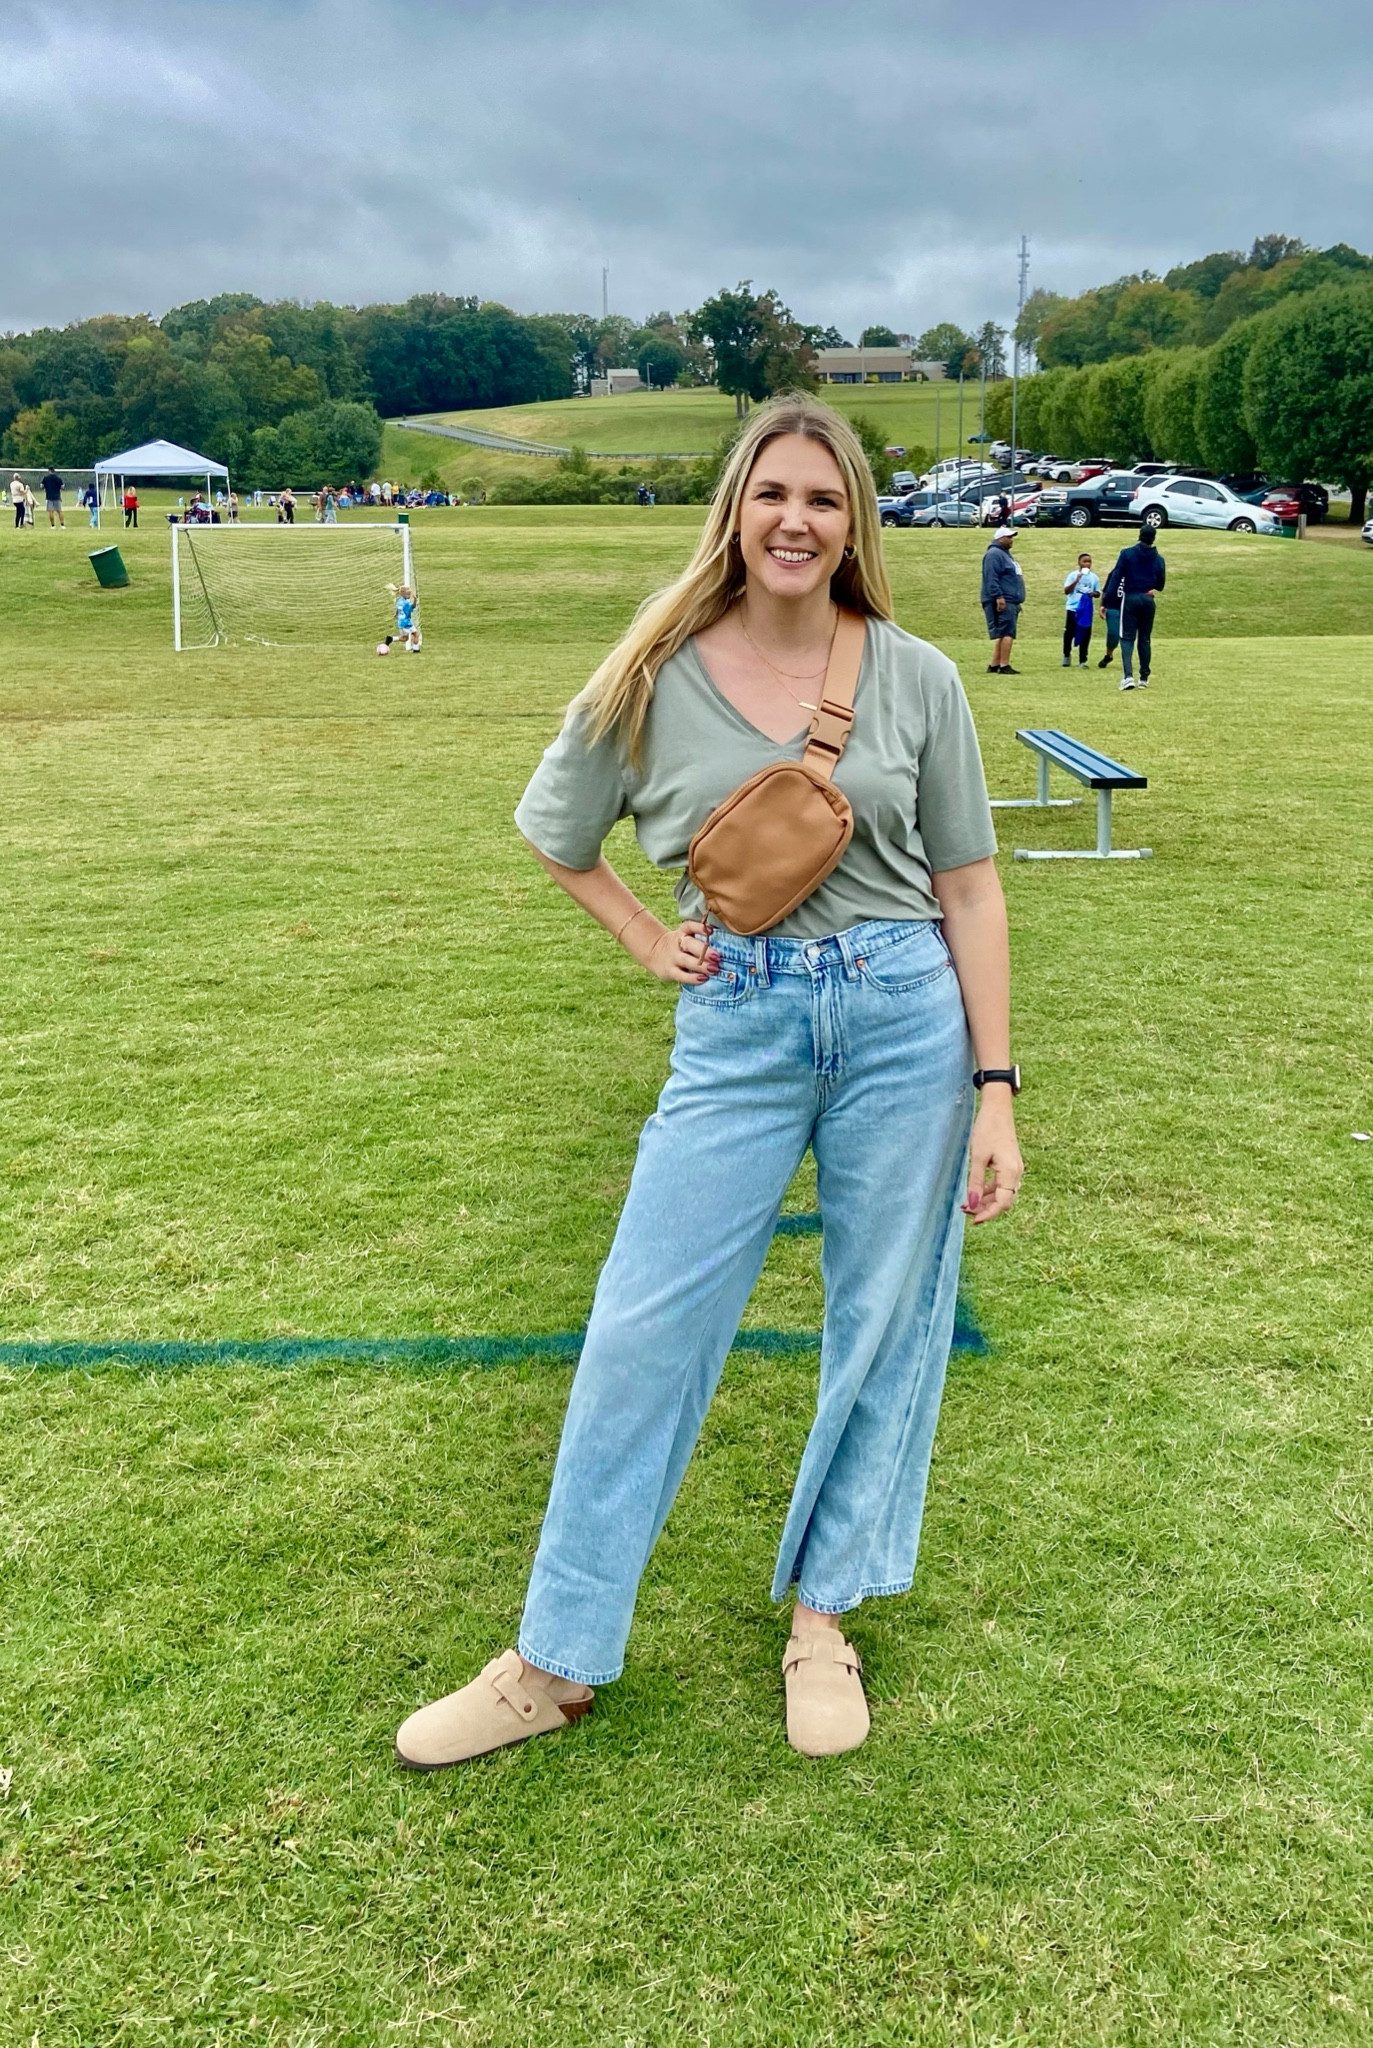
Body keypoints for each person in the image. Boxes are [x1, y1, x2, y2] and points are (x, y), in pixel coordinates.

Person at [395, 395, 1022, 1772]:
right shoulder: (653, 670)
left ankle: (824, 1616)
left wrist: (996, 1088)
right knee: (641, 1331)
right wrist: (642, 935)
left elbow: (968, 886)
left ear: (854, 521)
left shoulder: (917, 677)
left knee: (883, 1325)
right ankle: (554, 1660)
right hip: (736, 1029)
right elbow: (557, 834)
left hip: (906, 1020)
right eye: (773, 495)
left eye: (825, 498)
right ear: (735, 510)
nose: (796, 521)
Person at [1104, 525, 1166, 689]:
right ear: (1153, 538)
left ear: (1140, 535)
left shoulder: (1127, 554)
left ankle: (1128, 676)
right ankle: (1144, 678)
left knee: (1127, 637)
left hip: (1130, 597)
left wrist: (1108, 601)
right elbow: (1160, 585)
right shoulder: (1159, 559)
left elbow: (1116, 577)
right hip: (1148, 598)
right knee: (1145, 638)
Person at [980, 524, 1024, 674]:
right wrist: (999, 596)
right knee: (1008, 633)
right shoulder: (994, 554)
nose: (1011, 540)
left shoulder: (1004, 554)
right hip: (1005, 599)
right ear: (1000, 538)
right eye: (1009, 537)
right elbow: (991, 578)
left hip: (1011, 599)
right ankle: (1004, 665)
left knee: (1003, 632)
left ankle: (995, 664)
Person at [1061, 554, 1100, 667]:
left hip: (1086, 610)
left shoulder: (1094, 577)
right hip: (1073, 608)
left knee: (1085, 634)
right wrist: (1077, 580)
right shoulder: (1072, 575)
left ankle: (1083, 660)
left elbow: (1098, 592)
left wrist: (1094, 594)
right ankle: (1066, 655)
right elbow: (1067, 591)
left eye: (1089, 562)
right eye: (1084, 561)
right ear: (1079, 563)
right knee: (1069, 633)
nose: (1087, 564)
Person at [385, 582, 420, 651]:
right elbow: (413, 607)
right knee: (415, 634)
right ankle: (416, 649)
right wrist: (415, 600)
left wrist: (396, 614)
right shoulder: (406, 603)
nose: (409, 596)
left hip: (400, 622)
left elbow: (398, 609)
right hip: (406, 622)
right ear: (404, 594)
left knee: (405, 638)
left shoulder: (399, 601)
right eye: (408, 594)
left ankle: (391, 638)